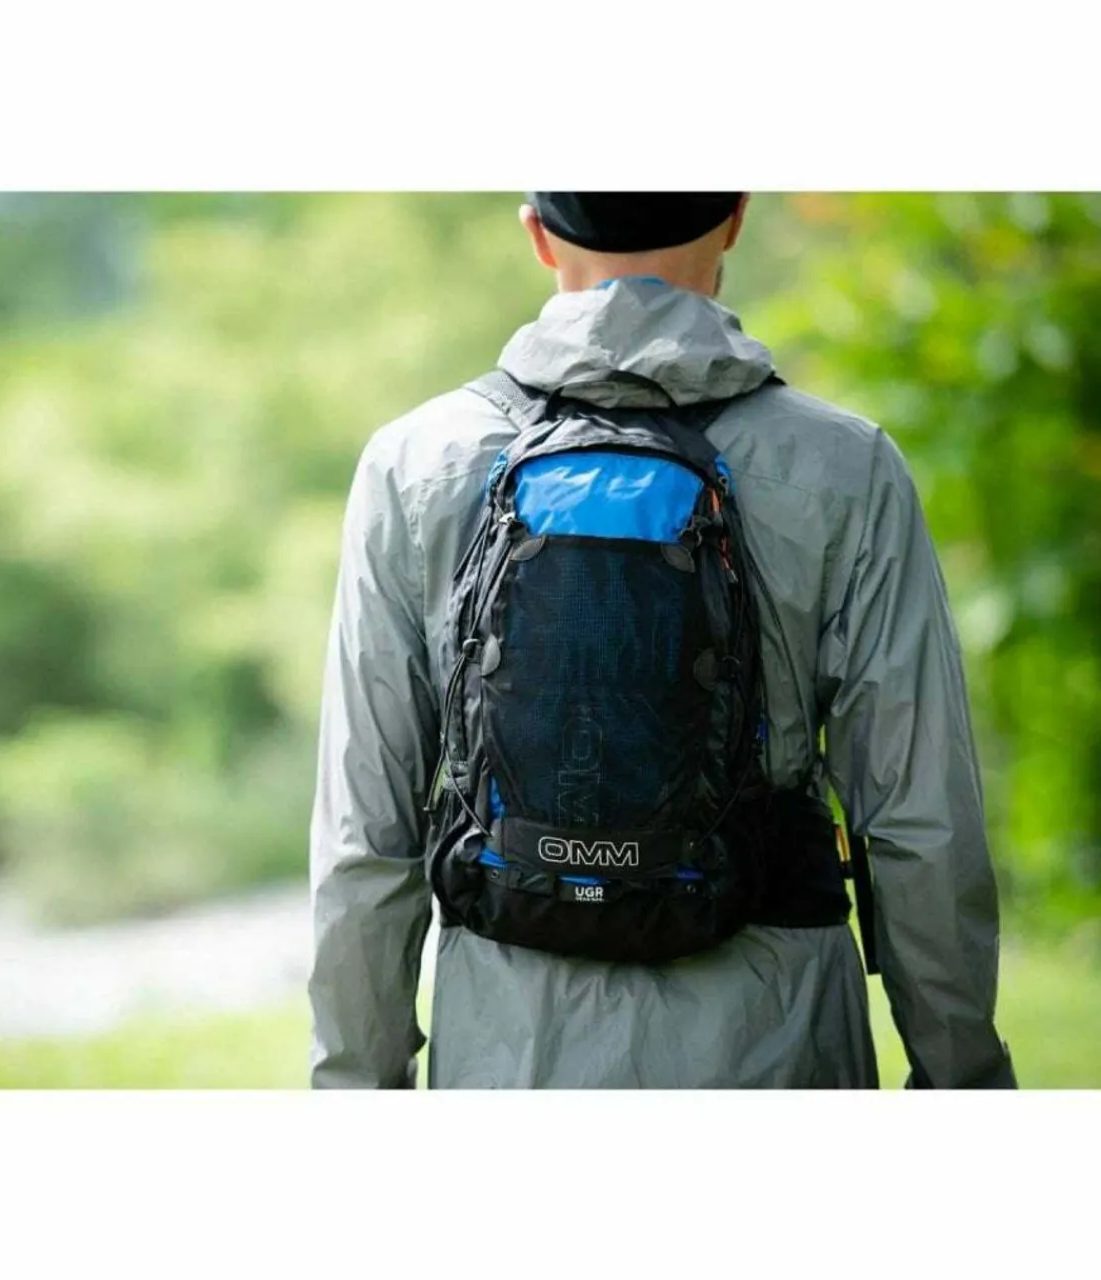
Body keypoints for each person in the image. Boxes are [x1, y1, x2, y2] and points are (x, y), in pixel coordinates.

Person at [307, 192, 1017, 1089]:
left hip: (509, 1050)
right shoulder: (846, 467)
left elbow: (365, 836)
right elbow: (921, 818)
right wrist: (963, 1078)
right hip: (777, 1041)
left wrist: (356, 1088)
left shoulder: (417, 462)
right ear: (736, 219)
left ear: (537, 234)